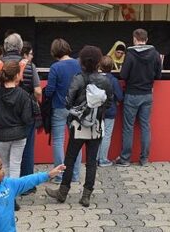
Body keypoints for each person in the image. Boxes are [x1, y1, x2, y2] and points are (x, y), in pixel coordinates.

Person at [46, 46, 113, 207]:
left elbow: (68, 101)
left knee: (69, 159)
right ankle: (86, 196)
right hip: (97, 126)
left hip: (78, 125)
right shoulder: (105, 80)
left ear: (82, 61)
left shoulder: (78, 78)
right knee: (91, 162)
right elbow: (109, 102)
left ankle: (63, 192)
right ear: (99, 61)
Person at [0, 34, 42, 180]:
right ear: (20, 48)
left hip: (1, 119)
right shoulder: (29, 66)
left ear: (5, 47)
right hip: (24, 115)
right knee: (25, 152)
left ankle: (5, 189)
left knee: (4, 161)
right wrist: (34, 102)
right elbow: (38, 90)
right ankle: (26, 184)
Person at [114, 29, 162, 167]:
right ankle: (144, 159)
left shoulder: (130, 55)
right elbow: (158, 76)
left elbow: (123, 75)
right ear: (146, 40)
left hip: (132, 94)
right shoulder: (155, 54)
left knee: (128, 128)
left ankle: (125, 159)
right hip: (147, 94)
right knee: (145, 127)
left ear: (135, 39)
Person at [44, 38, 83, 184]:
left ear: (54, 52)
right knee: (76, 141)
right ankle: (74, 175)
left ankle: (59, 175)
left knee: (58, 141)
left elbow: (49, 90)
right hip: (77, 108)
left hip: (59, 107)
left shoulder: (55, 67)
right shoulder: (79, 64)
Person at [0, 60, 34, 181]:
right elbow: (27, 119)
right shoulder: (23, 94)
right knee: (16, 165)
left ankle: (5, 193)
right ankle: (13, 194)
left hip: (1, 134)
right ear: (17, 75)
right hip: (19, 134)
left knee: (4, 165)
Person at [97, 56, 124, 167]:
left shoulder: (95, 79)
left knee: (97, 135)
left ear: (99, 66)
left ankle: (95, 158)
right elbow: (120, 96)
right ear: (112, 67)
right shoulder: (113, 80)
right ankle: (103, 160)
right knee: (106, 135)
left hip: (97, 111)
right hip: (110, 111)